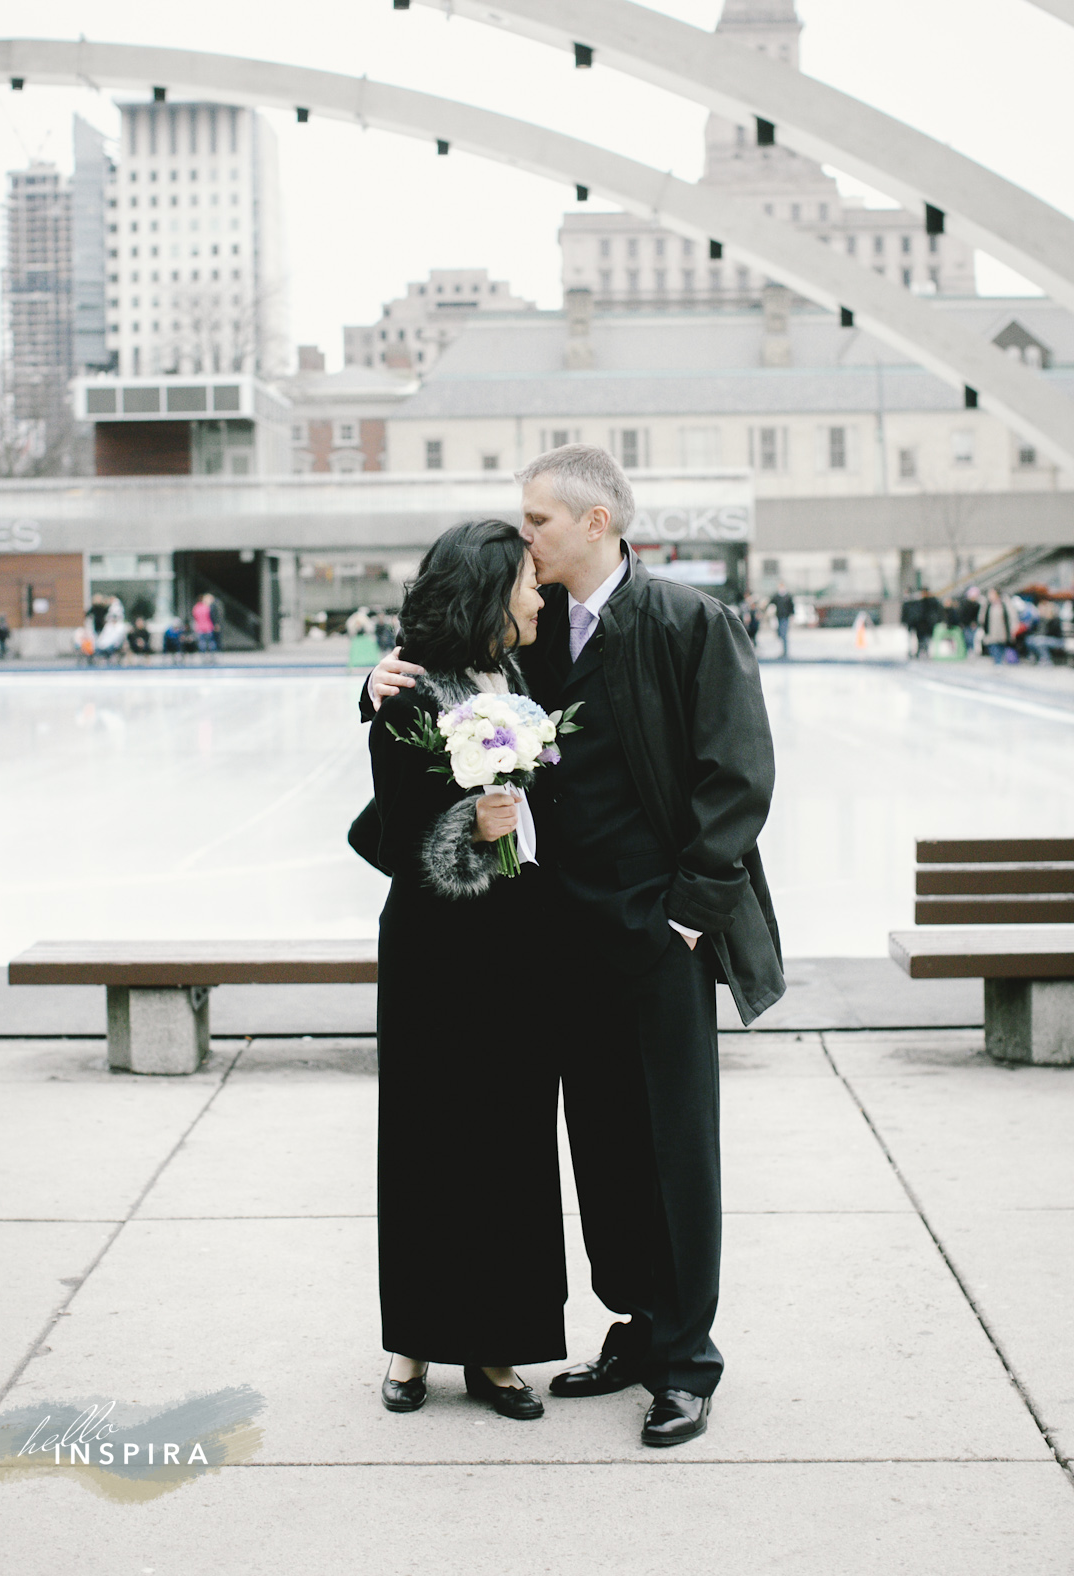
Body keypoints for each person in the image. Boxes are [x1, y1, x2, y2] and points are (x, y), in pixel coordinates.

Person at [367, 446, 782, 1449]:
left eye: (539, 523)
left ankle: (687, 1361)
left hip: (659, 937)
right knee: (603, 1149)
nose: (527, 540)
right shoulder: (534, 630)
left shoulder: (689, 621)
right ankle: (637, 1328)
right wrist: (374, 685)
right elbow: (448, 691)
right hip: (557, 937)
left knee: (675, 1152)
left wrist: (687, 915)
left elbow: (738, 777)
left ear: (598, 521)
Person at [368, 520, 566, 1423]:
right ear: (488, 595)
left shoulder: (523, 673)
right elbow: (393, 825)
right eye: (526, 582)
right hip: (436, 952)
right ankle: (413, 1343)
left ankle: (496, 1347)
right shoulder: (409, 688)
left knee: (511, 1139)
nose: (539, 595)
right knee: (428, 1139)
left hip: (517, 947)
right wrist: (467, 829)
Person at [979, 587, 1019, 665]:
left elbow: (1012, 616)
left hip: (1003, 630)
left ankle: (999, 661)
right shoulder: (987, 604)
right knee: (993, 646)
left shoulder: (1004, 603)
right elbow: (982, 617)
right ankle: (997, 662)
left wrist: (1013, 628)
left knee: (1001, 645)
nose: (989, 596)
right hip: (991, 630)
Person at [770, 582, 794, 659]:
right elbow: (771, 603)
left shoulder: (788, 597)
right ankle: (783, 651)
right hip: (778, 617)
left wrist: (792, 615)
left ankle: (785, 651)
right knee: (780, 633)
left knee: (784, 634)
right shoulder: (776, 596)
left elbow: (791, 607)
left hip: (785, 617)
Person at [191, 593, 218, 661]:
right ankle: (212, 657)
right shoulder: (207, 607)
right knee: (211, 642)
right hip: (208, 627)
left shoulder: (195, 608)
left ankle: (203, 657)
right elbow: (211, 616)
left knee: (202, 643)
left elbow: (195, 617)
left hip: (200, 628)